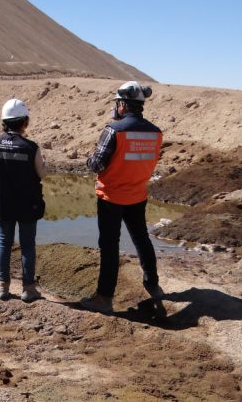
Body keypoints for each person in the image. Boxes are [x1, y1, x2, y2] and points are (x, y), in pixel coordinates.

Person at [80, 81, 164, 313]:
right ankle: (153, 284)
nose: (116, 106)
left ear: (123, 105)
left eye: (117, 103)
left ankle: (104, 297)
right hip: (137, 194)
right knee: (142, 239)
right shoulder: (156, 133)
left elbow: (97, 164)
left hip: (111, 196)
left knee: (109, 245)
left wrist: (89, 158)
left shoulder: (113, 130)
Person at [0, 98, 47, 302]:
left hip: (2, 203)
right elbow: (42, 173)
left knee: (4, 242)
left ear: (4, 121)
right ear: (24, 122)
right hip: (28, 205)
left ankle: (2, 287)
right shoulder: (30, 147)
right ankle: (28, 289)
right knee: (27, 244)